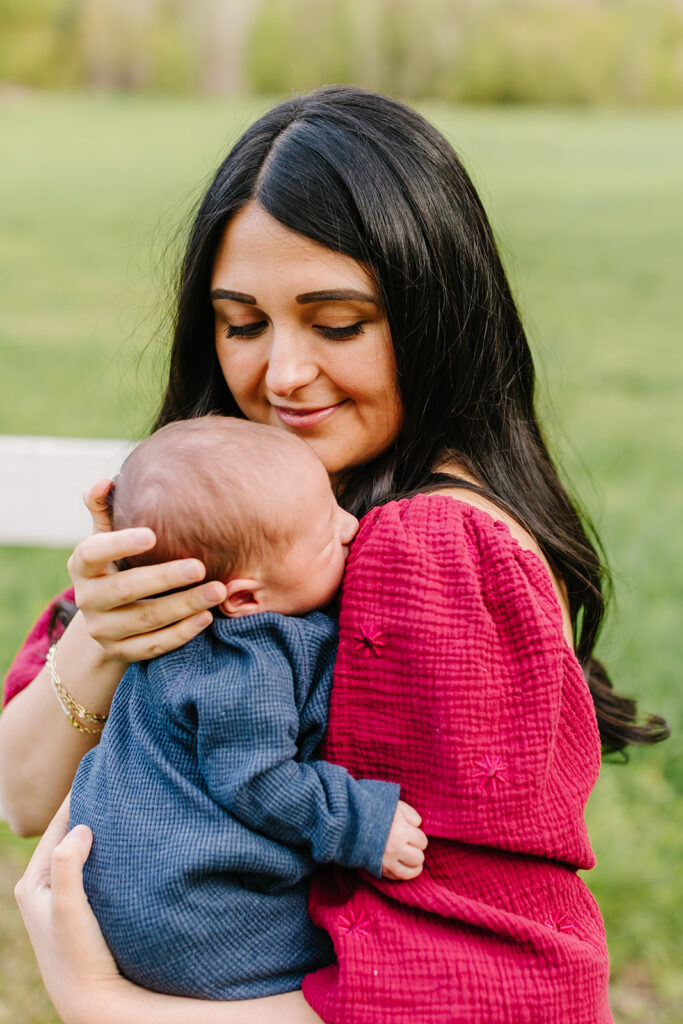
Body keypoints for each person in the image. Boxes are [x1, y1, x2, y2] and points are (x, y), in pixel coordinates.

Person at [5, 85, 668, 1024]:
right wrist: (100, 639)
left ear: (432, 314)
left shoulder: (425, 551)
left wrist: (109, 1004)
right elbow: (24, 794)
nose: (280, 375)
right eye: (242, 323)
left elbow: (479, 990)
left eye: (338, 322)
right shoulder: (233, 508)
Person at [68, 414, 425, 999]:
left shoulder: (185, 627)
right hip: (202, 915)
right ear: (245, 596)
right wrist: (361, 821)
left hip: (143, 899)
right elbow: (256, 779)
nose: (349, 525)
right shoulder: (243, 663)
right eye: (323, 533)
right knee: (373, 962)